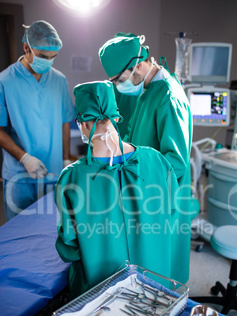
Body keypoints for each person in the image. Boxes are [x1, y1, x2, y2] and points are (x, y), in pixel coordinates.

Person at [55, 80, 181, 300]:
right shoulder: (157, 160)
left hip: (101, 293)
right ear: (115, 117)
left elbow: (69, 247)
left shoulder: (72, 178)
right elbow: (172, 214)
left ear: (83, 123)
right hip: (155, 285)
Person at [99, 34, 193, 283]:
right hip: (147, 188)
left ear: (138, 65)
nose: (120, 86)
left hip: (163, 195)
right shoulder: (147, 89)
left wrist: (133, 167)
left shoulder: (169, 98)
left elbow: (176, 163)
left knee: (161, 272)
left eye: (120, 79)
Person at [0, 20, 76, 220]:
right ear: (26, 47)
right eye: (43, 56)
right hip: (19, 177)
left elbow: (65, 121)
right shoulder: (5, 81)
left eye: (53, 58)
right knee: (18, 235)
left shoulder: (59, 80)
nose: (48, 62)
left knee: (50, 234)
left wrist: (66, 159)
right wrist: (24, 158)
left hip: (53, 173)